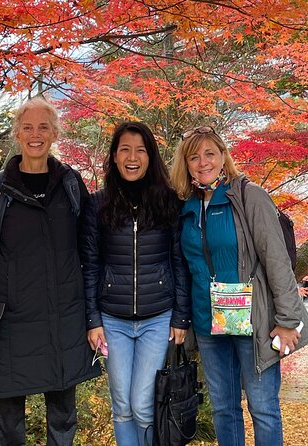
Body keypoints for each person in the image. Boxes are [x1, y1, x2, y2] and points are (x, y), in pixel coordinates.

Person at [0, 96, 101, 446]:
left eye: (43, 127)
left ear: (54, 133)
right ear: (17, 134)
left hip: (64, 318)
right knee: (8, 423)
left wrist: (94, 316)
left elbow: (90, 249)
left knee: (63, 418)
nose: (35, 134)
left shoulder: (71, 183)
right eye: (27, 127)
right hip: (10, 321)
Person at [169, 126, 308, 446]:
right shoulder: (186, 207)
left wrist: (288, 321)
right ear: (186, 163)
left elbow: (277, 261)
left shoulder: (249, 196)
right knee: (224, 409)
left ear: (223, 156)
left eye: (210, 153)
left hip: (253, 320)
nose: (203, 162)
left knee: (263, 408)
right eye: (194, 156)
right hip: (208, 323)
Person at [80, 121, 191, 446]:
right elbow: (90, 266)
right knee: (122, 406)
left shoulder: (168, 202)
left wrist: (180, 315)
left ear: (150, 156)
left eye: (140, 150)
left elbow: (179, 261)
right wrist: (93, 320)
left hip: (157, 319)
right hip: (112, 321)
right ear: (114, 156)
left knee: (143, 406)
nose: (132, 157)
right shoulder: (97, 204)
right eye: (124, 149)